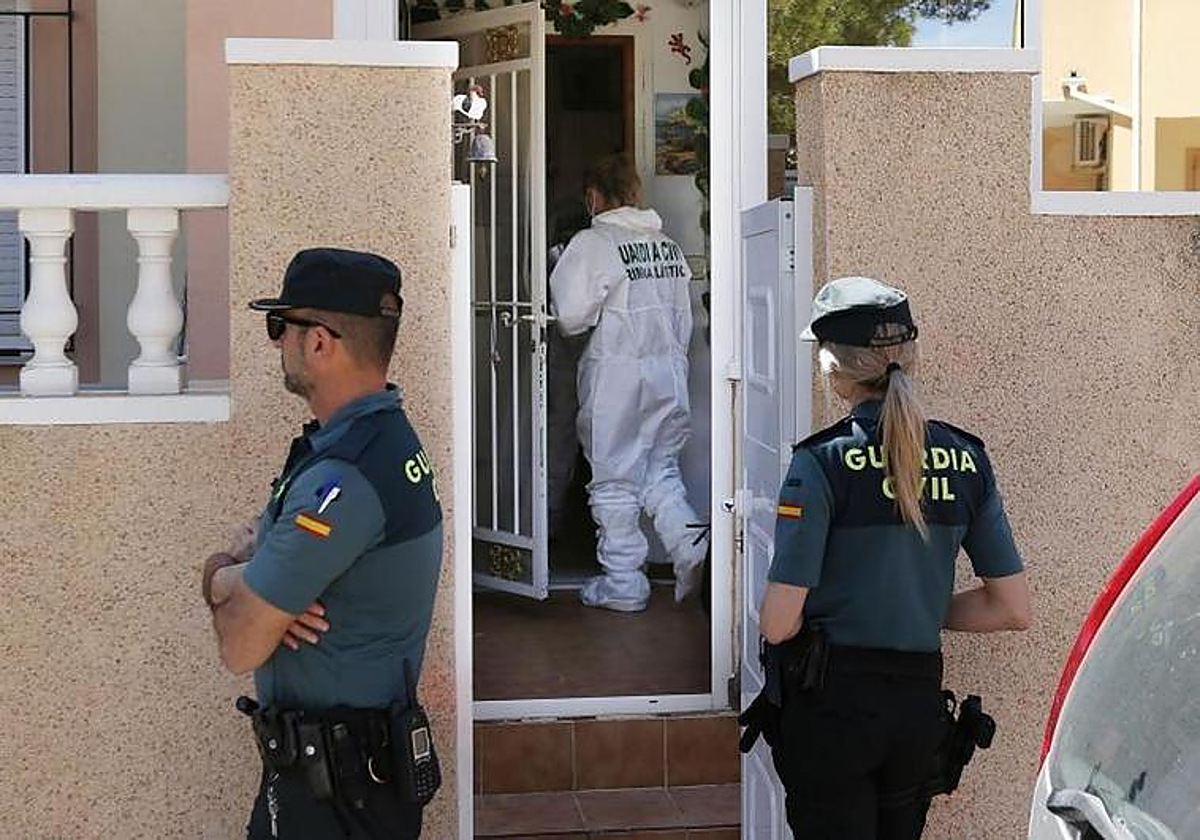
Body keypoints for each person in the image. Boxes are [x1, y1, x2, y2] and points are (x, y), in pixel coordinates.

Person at [755, 276, 1032, 839]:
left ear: (832, 368)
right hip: (916, 706)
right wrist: (922, 606)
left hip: (834, 707)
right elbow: (1012, 607)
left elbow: (780, 623)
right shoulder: (965, 460)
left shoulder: (821, 464)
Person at [200, 248, 443, 839]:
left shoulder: (346, 478)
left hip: (338, 797)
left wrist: (220, 575)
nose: (275, 341)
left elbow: (240, 645)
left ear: (319, 343)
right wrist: (241, 578)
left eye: (279, 325)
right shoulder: (361, 446)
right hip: (336, 780)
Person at [549, 154, 707, 612]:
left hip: (617, 375)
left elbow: (571, 318)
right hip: (668, 373)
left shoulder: (595, 242)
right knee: (661, 471)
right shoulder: (667, 247)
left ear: (593, 196)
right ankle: (690, 549)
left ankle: (624, 583)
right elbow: (682, 319)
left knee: (614, 479)